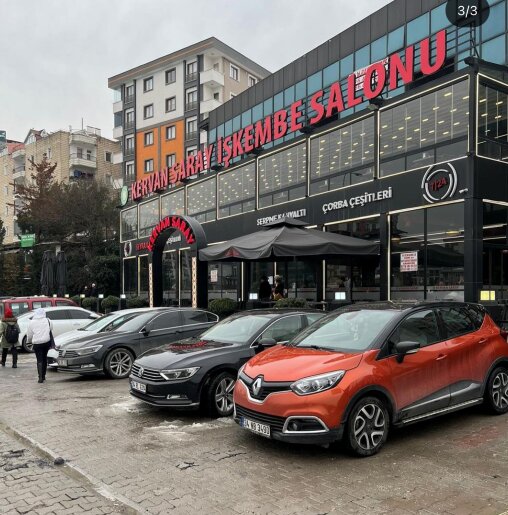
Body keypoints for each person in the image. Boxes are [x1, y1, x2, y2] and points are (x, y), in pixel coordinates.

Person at [26, 308, 53, 383]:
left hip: (37, 343)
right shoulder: (48, 320)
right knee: (44, 358)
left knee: (39, 359)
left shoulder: (31, 322)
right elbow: (51, 328)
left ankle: (40, 377)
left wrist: (29, 341)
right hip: (46, 342)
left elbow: (29, 334)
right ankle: (44, 376)